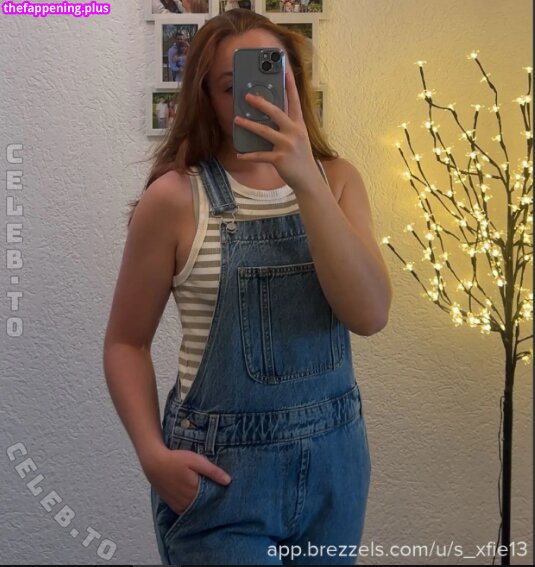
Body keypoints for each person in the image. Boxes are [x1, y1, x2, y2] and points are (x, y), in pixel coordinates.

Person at [103, 8, 392, 566]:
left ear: (293, 81)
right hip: (222, 479)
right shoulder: (174, 199)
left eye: (268, 75)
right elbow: (125, 343)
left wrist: (306, 179)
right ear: (208, 99)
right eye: (231, 86)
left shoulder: (338, 182)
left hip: (336, 471)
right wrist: (151, 454)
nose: (254, 97)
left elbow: (370, 315)